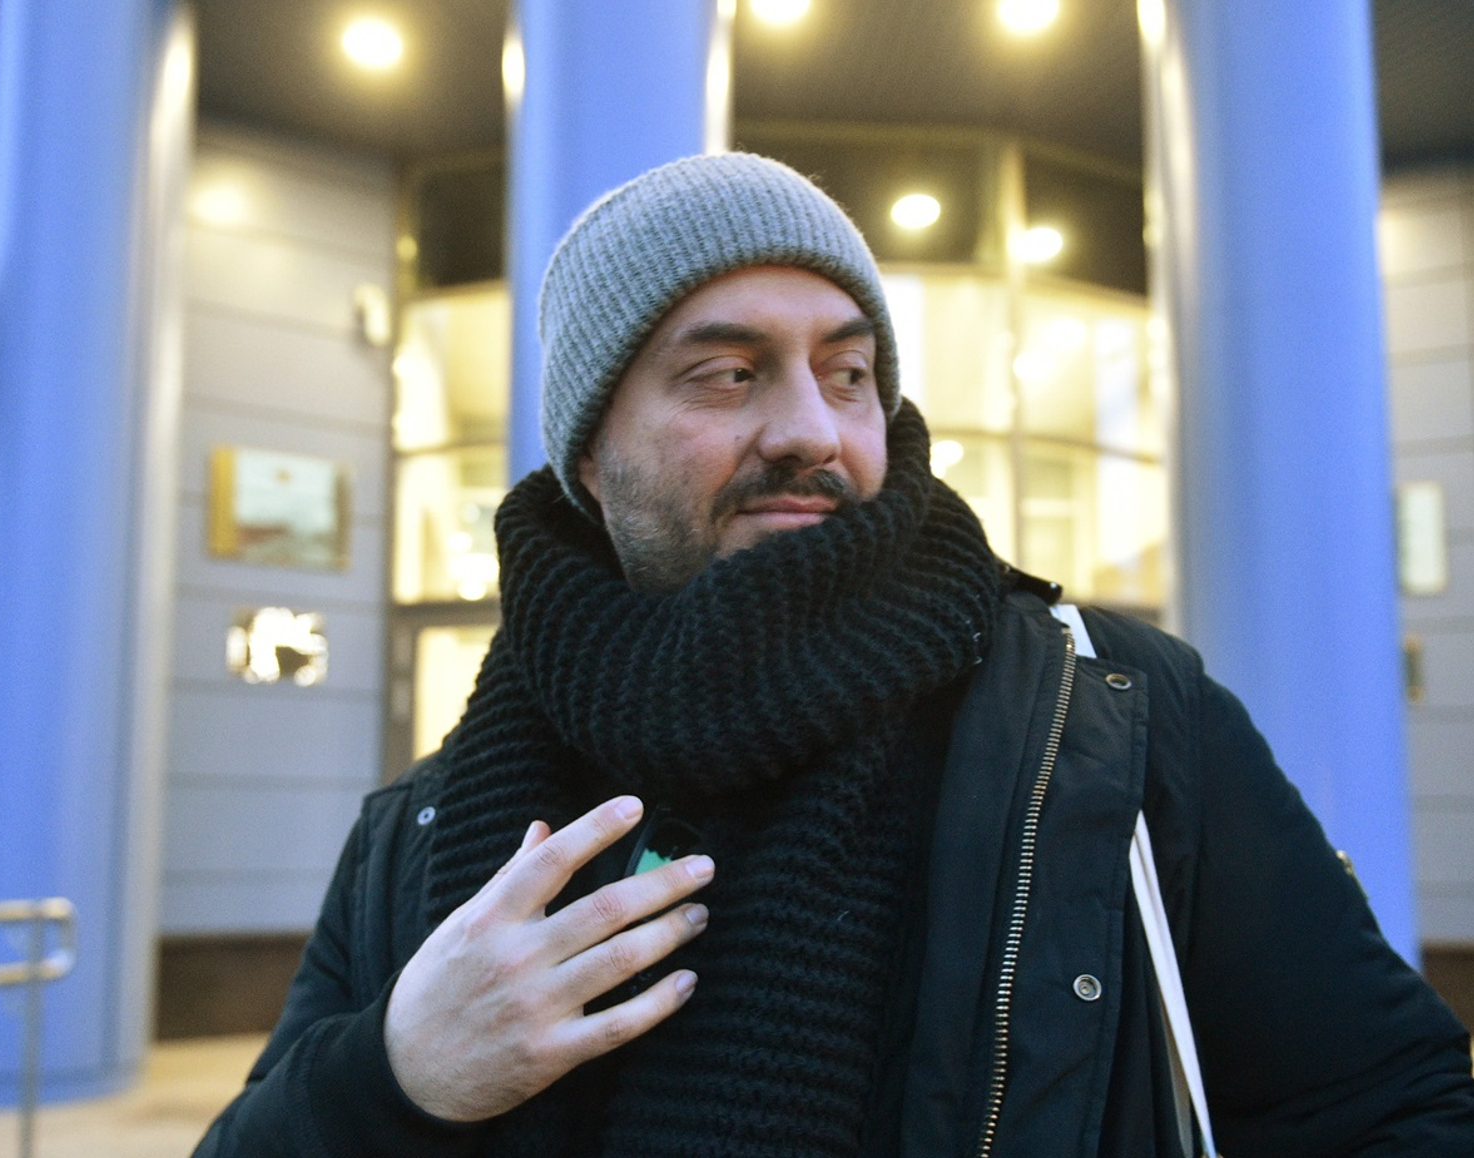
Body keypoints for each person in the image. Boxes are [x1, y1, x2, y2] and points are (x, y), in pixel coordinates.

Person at [193, 153, 1474, 1158]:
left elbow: (1391, 1112)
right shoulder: (421, 828)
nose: (811, 428)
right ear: (589, 453)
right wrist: (394, 1075)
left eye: (848, 373)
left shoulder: (1114, 727)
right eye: (726, 373)